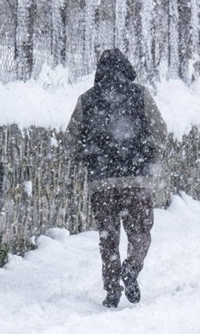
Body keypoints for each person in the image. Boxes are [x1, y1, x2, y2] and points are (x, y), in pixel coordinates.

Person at [66, 48, 167, 308]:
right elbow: (160, 131)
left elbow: (71, 140)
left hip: (102, 182)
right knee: (140, 232)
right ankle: (132, 267)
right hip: (136, 180)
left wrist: (88, 157)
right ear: (126, 68)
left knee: (108, 238)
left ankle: (112, 289)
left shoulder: (86, 100)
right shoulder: (140, 95)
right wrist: (149, 156)